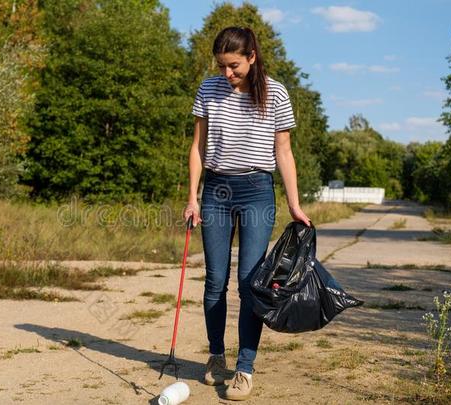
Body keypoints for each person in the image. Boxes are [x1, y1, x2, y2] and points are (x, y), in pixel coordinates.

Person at [183, 26, 311, 401]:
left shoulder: (276, 92)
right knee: (214, 282)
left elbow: (284, 152)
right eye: (222, 66)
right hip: (216, 190)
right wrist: (192, 197)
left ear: (252, 56)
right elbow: (197, 147)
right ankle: (216, 356)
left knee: (250, 284)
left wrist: (294, 203)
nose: (227, 74)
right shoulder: (208, 89)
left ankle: (245, 368)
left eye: (234, 66)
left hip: (257, 190)